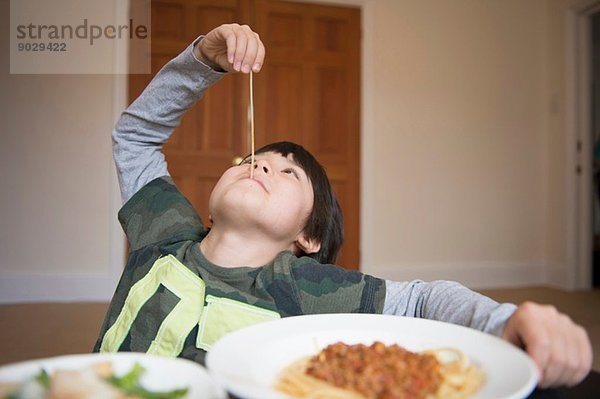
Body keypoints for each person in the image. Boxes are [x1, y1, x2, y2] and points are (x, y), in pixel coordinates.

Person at [94, 23, 592, 389]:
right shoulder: (164, 232)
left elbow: (419, 301)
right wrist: (201, 58)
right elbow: (135, 138)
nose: (262, 166)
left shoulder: (303, 290)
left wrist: (504, 320)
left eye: (287, 172)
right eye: (253, 160)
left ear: (307, 239)